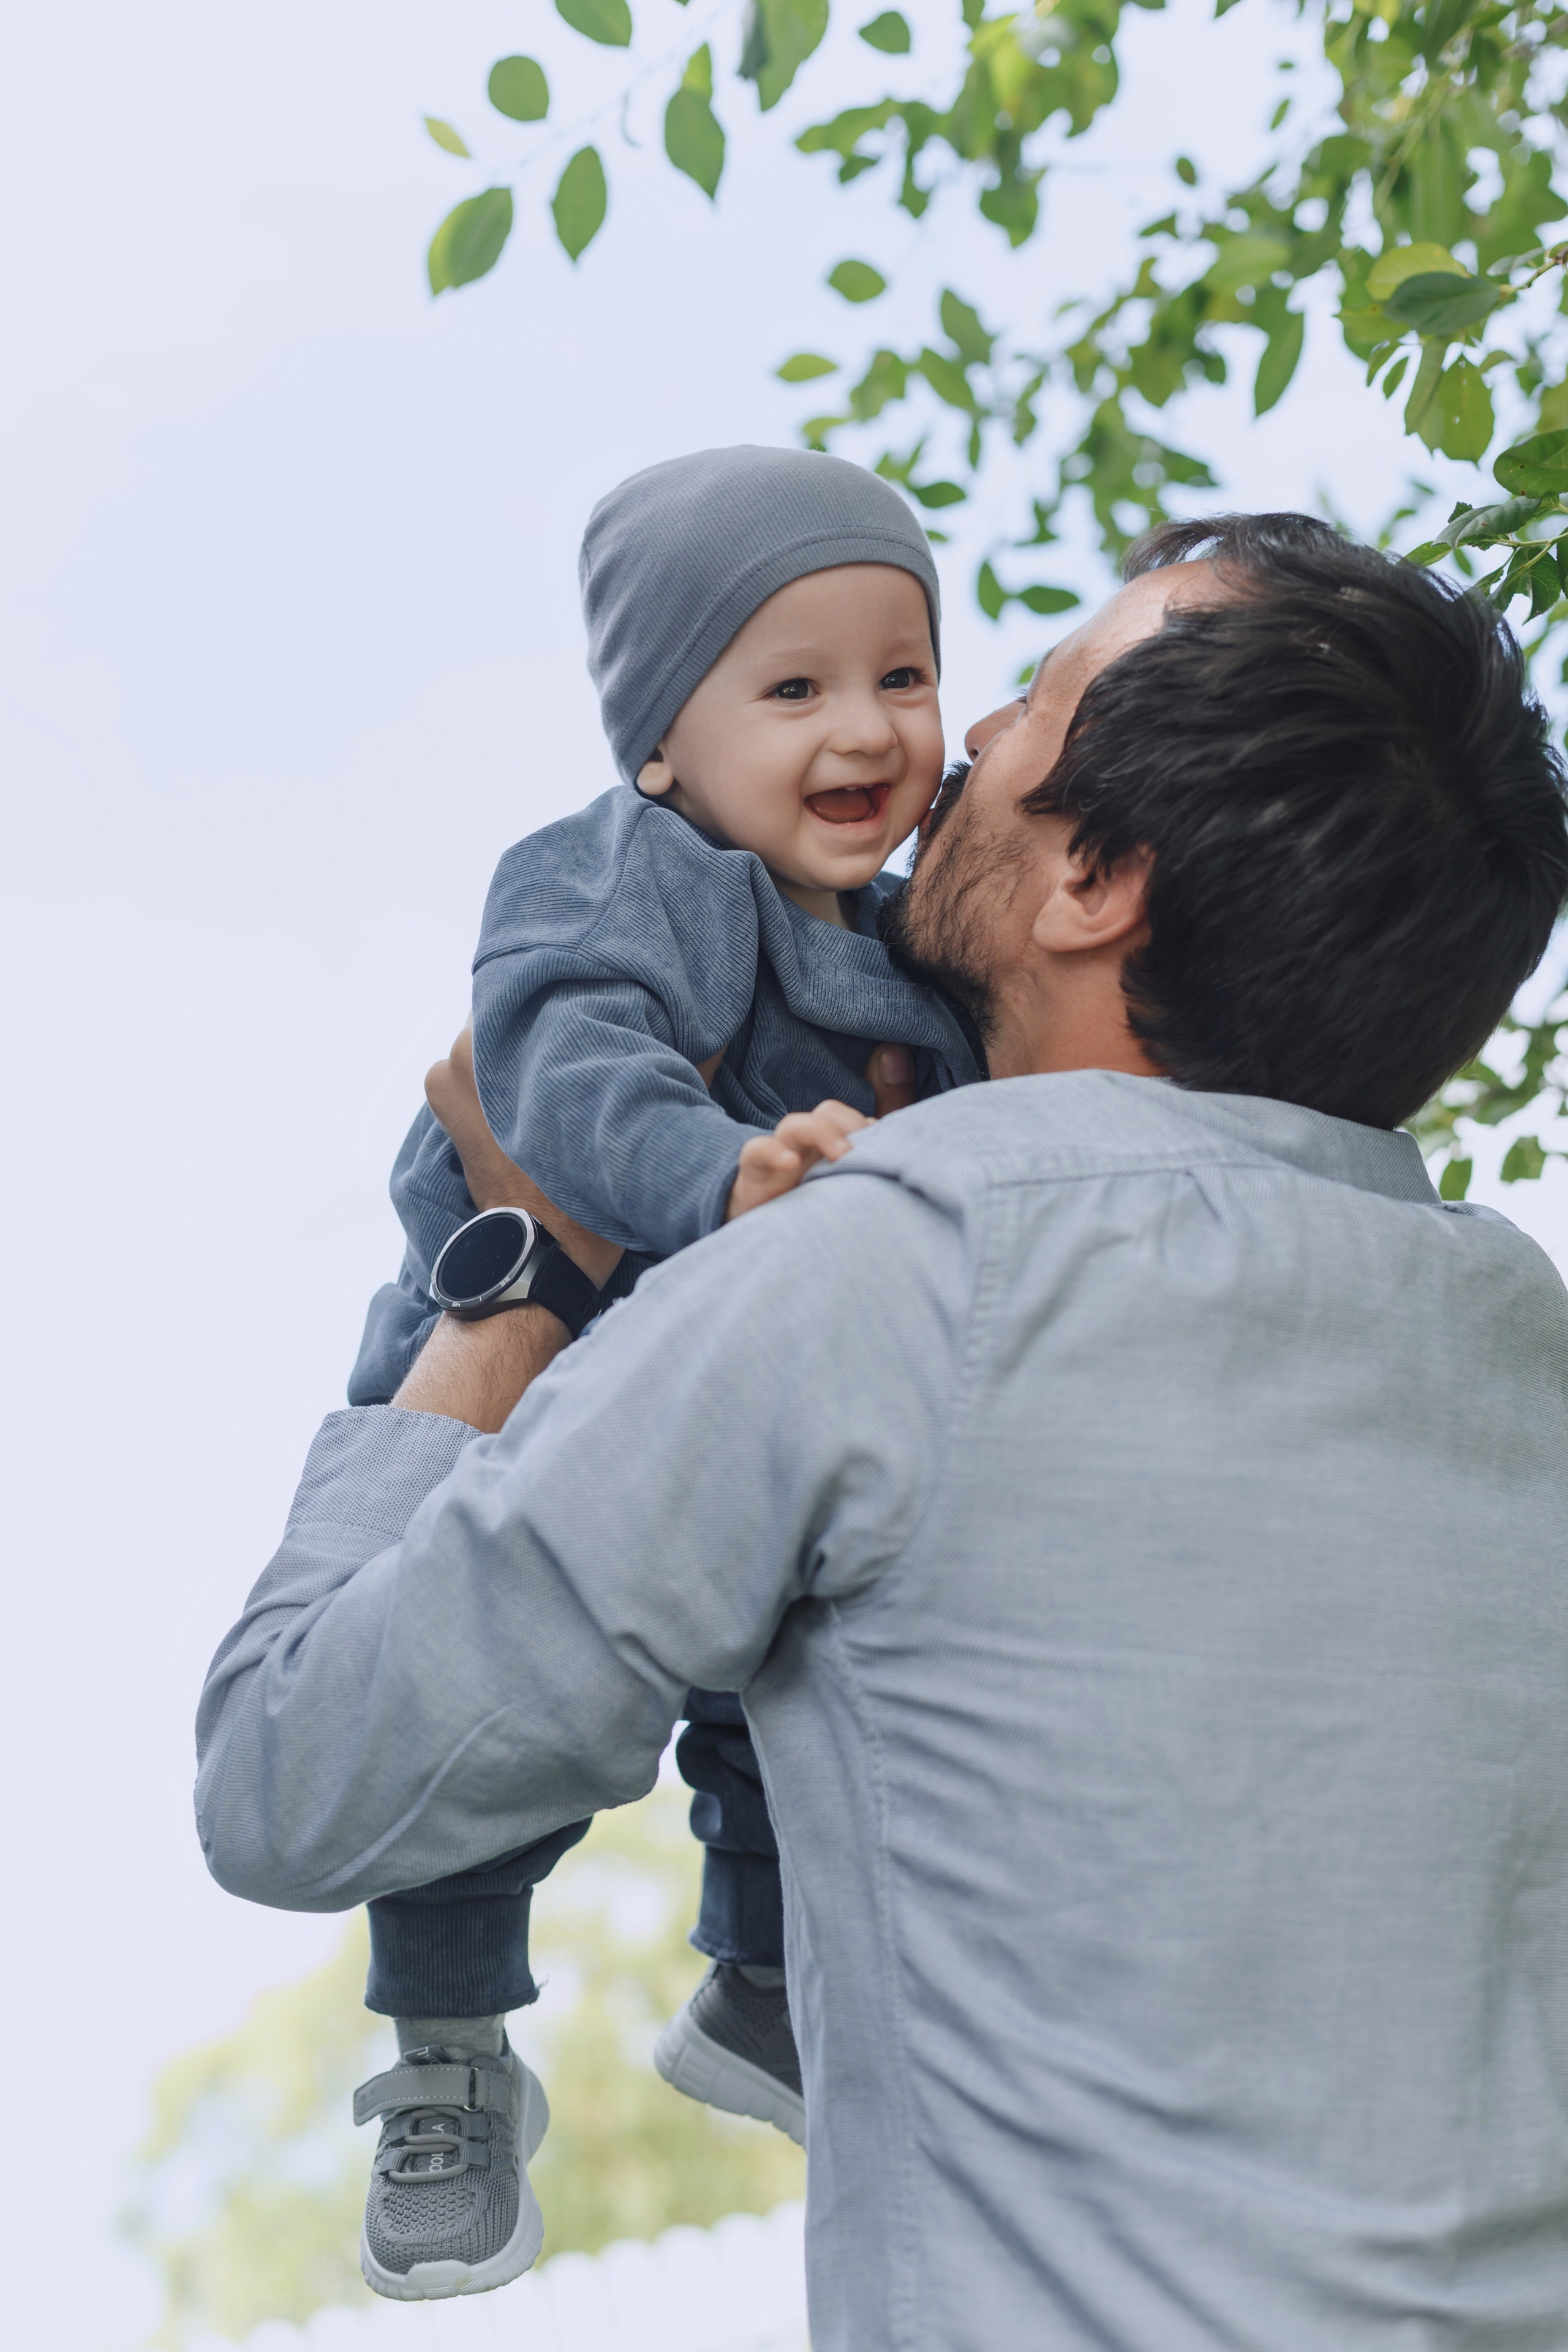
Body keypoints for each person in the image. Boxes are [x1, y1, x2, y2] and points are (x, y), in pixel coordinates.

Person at [198, 513, 1568, 2351]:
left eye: (1039, 701)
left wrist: (520, 1264)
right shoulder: (1524, 1346)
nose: (967, 735)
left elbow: (300, 1775)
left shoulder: (896, 1265)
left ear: (1097, 880)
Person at [335, 443, 982, 2297]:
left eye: (902, 673)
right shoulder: (630, 874)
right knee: (478, 1729)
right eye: (793, 688)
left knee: (796, 1677)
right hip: (541, 1365)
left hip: (740, 1408)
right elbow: (562, 1064)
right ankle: (447, 2050)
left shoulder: (908, 952)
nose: (864, 727)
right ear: (659, 746)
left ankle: (769, 1982)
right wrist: (722, 1173)